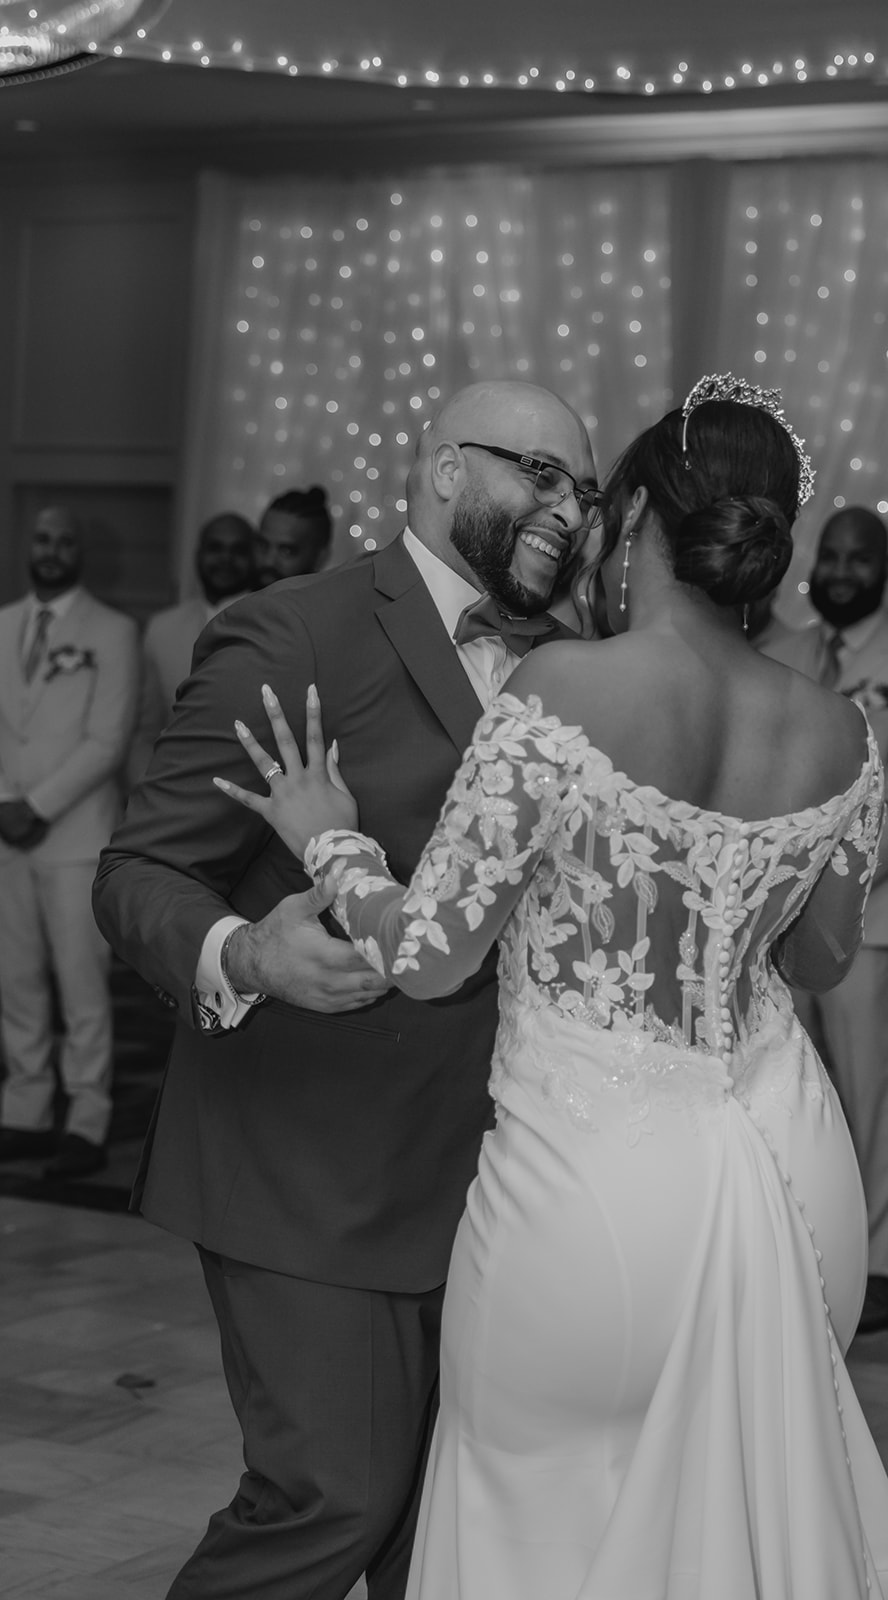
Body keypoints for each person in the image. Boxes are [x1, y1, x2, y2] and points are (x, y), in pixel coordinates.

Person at [220, 376, 888, 1600]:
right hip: (791, 1175)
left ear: (636, 514)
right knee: (713, 1540)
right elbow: (817, 959)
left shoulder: (563, 695)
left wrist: (332, 839)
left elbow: (432, 951)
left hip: (595, 1185)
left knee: (533, 1521)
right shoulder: (841, 731)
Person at [91, 380, 600, 1600]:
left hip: (508, 1174)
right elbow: (141, 868)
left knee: (446, 1527)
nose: (564, 509)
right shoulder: (294, 629)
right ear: (439, 470)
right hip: (311, 1165)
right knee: (331, 1499)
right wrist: (248, 954)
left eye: (580, 489)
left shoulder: (583, 663)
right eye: (537, 473)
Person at [763, 507, 888, 1332]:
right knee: (781, 1090)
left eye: (858, 559)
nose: (840, 572)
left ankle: (876, 1263)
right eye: (830, 557)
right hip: (770, 923)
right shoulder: (782, 655)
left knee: (871, 1096)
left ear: (884, 568)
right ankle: (790, 1250)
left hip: (868, 921)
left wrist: (822, 876)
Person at [0, 506, 138, 1178]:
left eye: (63, 540)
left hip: (75, 834)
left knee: (81, 986)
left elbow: (108, 741)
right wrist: (6, 805)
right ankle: (24, 1108)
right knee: (15, 982)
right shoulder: (0, 626)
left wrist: (38, 806)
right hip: (7, 838)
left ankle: (87, 1115)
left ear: (81, 552)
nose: (51, 549)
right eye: (42, 538)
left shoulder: (112, 632)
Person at [128, 512, 254, 783]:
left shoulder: (271, 622)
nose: (225, 559)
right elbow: (146, 726)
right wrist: (144, 785)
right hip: (172, 784)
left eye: (238, 550)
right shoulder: (161, 627)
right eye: (215, 548)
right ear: (198, 555)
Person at [253, 483, 334, 588]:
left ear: (320, 558)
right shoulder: (232, 604)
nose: (268, 562)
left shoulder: (333, 604)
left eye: (286, 552)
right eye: (263, 546)